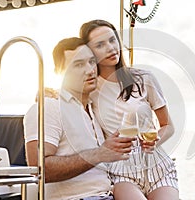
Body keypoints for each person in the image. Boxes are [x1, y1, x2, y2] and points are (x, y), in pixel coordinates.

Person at [24, 37, 135, 200]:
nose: (90, 70)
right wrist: (100, 154)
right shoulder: (49, 107)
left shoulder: (94, 107)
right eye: (78, 65)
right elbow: (40, 169)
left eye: (91, 62)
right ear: (59, 72)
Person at [80, 19, 179, 200]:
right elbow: (65, 95)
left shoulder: (144, 78)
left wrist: (155, 141)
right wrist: (46, 92)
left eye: (112, 40)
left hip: (157, 166)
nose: (110, 48)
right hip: (121, 172)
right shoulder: (90, 90)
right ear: (90, 52)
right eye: (100, 45)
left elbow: (168, 125)